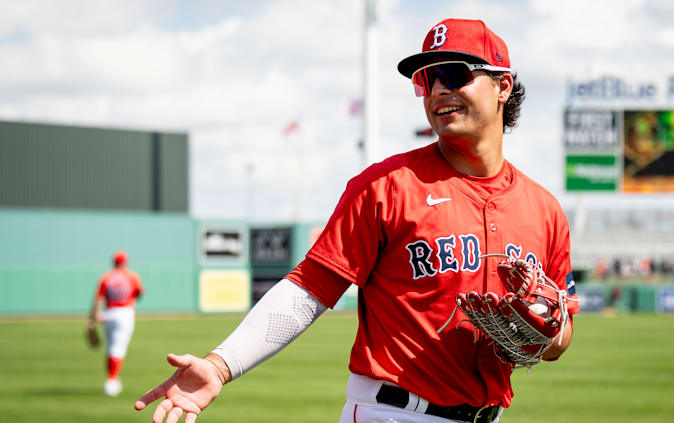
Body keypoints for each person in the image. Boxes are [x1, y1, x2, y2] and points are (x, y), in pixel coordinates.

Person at [135, 18, 579, 423]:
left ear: (503, 86)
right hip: (393, 413)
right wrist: (219, 364)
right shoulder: (387, 185)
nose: (440, 88)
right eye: (427, 79)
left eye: (457, 74)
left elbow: (561, 334)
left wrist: (548, 332)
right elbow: (309, 289)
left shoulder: (545, 211)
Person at [89, 250, 143, 397]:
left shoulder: (106, 277)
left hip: (109, 313)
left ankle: (113, 378)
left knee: (111, 347)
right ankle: (111, 381)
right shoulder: (132, 276)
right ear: (125, 262)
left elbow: (98, 299)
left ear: (114, 262)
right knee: (118, 348)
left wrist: (92, 319)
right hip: (125, 313)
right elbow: (139, 293)